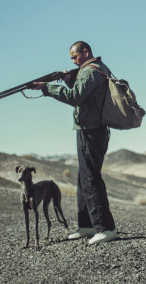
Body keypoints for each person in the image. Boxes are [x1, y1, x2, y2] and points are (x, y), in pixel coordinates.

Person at [31, 40, 117, 245]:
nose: (73, 60)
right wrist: (69, 79)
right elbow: (85, 94)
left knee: (91, 179)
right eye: (71, 58)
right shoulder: (96, 69)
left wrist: (48, 88)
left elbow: (75, 97)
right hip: (91, 129)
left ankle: (105, 228)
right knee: (84, 178)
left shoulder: (90, 71)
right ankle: (87, 225)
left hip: (91, 130)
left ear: (86, 52)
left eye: (75, 56)